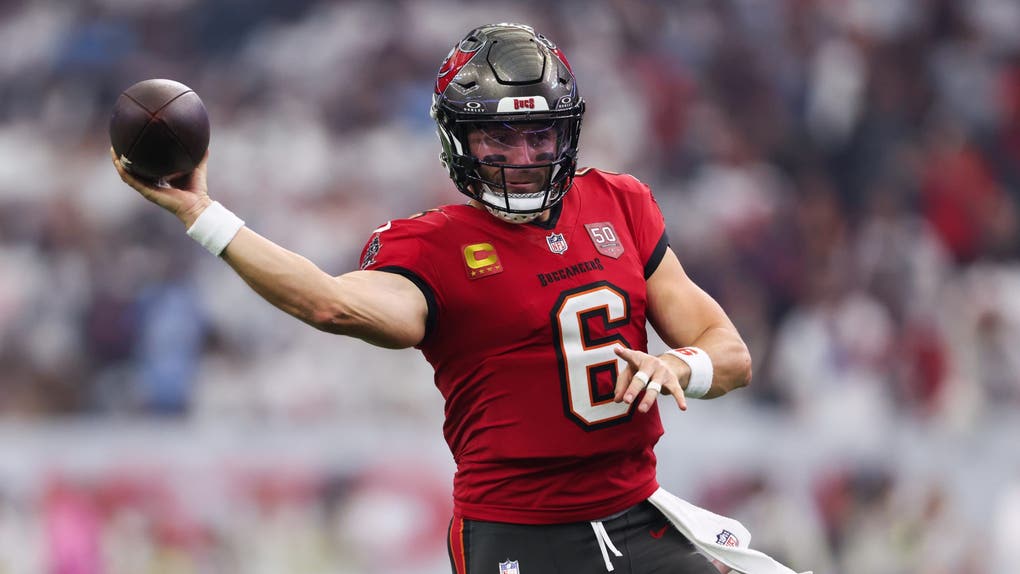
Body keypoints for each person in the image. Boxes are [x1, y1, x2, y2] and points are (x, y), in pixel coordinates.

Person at [113, 22, 806, 574]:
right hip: (520, 534)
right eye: (499, 136)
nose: (524, 156)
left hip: (639, 517)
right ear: (458, 139)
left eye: (539, 133)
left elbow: (731, 354)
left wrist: (678, 364)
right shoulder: (434, 247)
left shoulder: (619, 203)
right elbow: (329, 303)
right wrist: (204, 215)